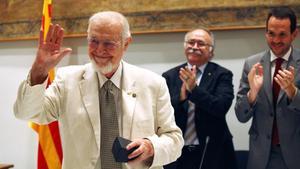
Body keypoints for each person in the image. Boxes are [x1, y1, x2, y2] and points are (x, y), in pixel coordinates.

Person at [14, 11, 183, 169]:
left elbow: (174, 139)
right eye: (94, 41)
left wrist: (151, 147)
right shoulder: (67, 79)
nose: (100, 50)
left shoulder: (153, 83)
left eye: (109, 43)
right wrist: (39, 70)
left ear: (126, 44)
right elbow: (27, 113)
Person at [162, 28, 237, 169]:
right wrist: (182, 96)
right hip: (178, 152)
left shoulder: (222, 75)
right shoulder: (169, 76)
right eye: (191, 42)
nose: (195, 47)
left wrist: (194, 90)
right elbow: (164, 113)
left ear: (211, 51)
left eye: (201, 43)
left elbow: (220, 107)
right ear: (185, 46)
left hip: (212, 150)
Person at [235, 6, 300, 169]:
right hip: (261, 155)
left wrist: (293, 92)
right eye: (271, 33)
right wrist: (253, 93)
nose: (276, 40)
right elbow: (241, 116)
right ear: (265, 33)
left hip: (296, 154)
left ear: (294, 34)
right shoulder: (252, 64)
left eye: (282, 34)